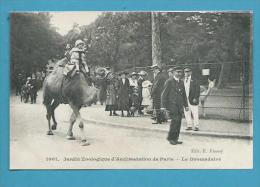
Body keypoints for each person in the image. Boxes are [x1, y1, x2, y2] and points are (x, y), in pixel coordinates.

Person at [161, 66, 189, 145]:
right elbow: (164, 95)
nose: (179, 73)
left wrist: (186, 105)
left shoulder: (181, 82)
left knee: (178, 122)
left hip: (179, 106)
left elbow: (184, 95)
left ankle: (175, 138)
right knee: (175, 122)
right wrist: (163, 107)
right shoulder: (169, 81)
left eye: (180, 72)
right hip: (172, 106)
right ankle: (171, 138)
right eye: (177, 72)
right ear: (173, 73)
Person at [183, 66, 200, 131]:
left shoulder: (195, 80)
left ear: (191, 72)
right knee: (187, 113)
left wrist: (195, 98)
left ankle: (196, 126)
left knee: (195, 113)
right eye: (185, 71)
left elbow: (197, 90)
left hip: (193, 99)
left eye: (188, 71)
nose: (186, 73)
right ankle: (189, 125)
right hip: (185, 100)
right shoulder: (183, 80)